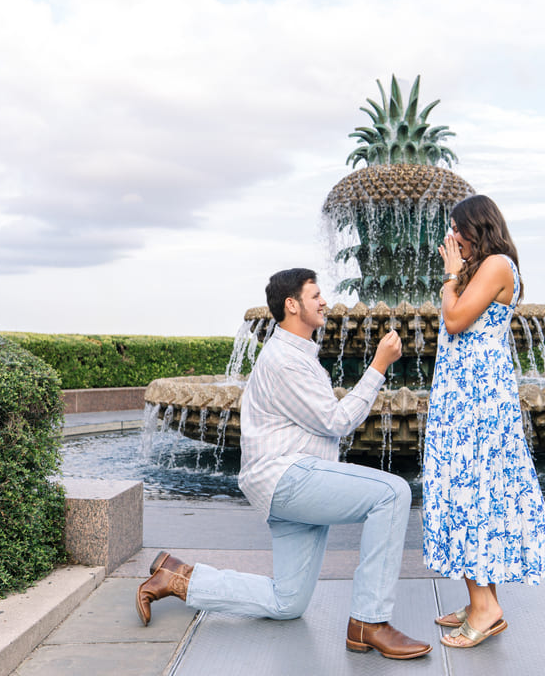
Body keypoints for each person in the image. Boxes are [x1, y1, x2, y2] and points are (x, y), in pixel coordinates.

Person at [135, 268, 431, 660]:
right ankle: (369, 622)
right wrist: (378, 366)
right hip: (290, 478)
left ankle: (180, 577)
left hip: (288, 482)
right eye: (315, 295)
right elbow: (338, 422)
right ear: (292, 305)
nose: (324, 301)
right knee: (393, 492)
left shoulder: (296, 355)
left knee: (287, 602)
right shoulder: (285, 361)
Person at [421, 194, 545, 649]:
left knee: (471, 492)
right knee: (464, 491)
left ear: (477, 227)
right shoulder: (483, 268)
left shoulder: (498, 263)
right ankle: (482, 602)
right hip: (464, 396)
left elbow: (457, 319)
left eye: (458, 229)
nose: (452, 237)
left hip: (477, 401)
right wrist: (457, 273)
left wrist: (448, 276)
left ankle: (487, 607)